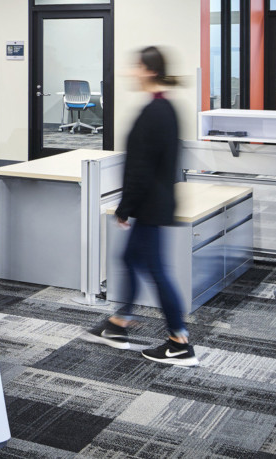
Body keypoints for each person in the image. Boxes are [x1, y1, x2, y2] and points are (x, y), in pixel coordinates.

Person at [84, 46, 198, 366]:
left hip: (150, 203)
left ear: (148, 70)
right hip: (156, 201)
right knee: (131, 258)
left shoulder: (155, 112)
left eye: (135, 67)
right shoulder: (165, 107)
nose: (130, 72)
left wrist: (125, 206)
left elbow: (142, 167)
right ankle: (118, 324)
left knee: (157, 271)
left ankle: (179, 341)